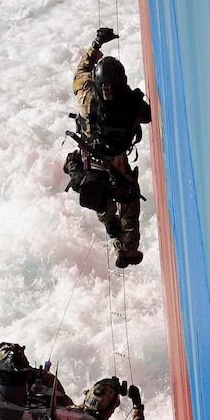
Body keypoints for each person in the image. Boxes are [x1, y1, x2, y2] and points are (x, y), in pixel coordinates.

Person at [68, 27, 151, 269]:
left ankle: (109, 224)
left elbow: (80, 72)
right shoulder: (133, 106)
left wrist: (96, 44)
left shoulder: (87, 100)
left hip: (93, 168)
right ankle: (127, 251)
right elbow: (147, 116)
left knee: (98, 197)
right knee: (130, 208)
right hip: (118, 169)